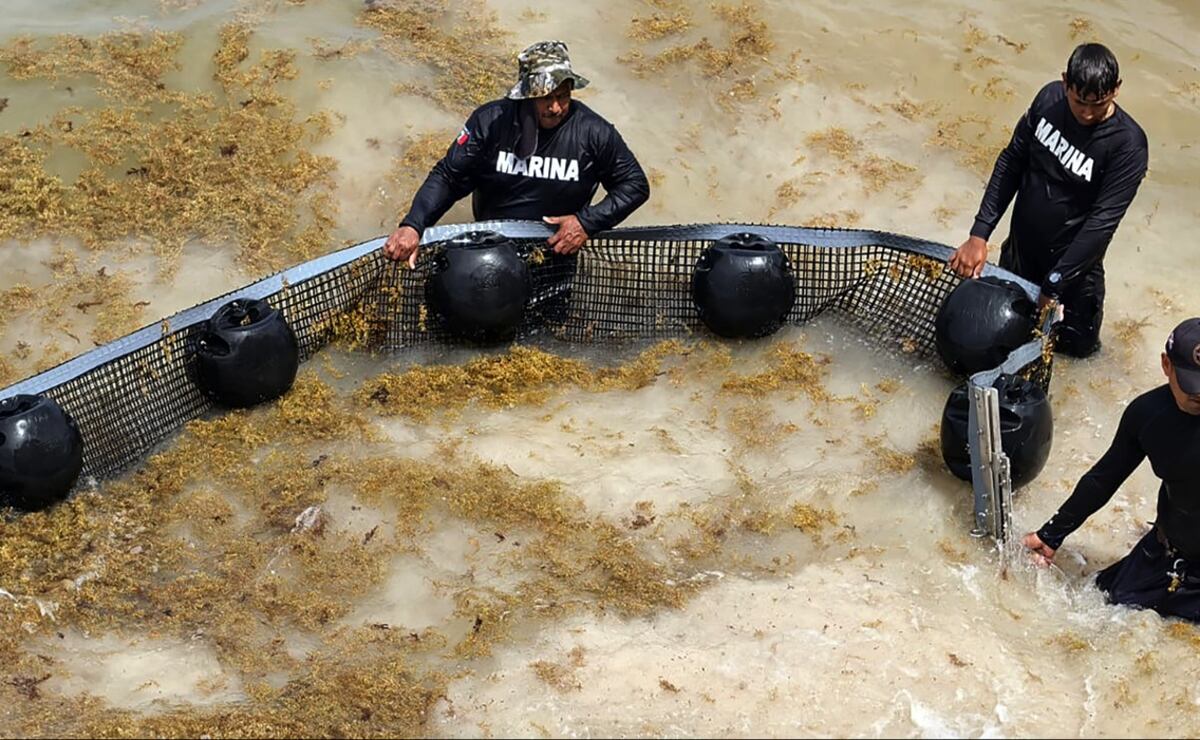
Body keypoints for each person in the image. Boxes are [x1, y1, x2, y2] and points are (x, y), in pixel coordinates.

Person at [948, 43, 1149, 358]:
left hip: (1073, 278)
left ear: (1117, 90)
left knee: (1075, 360)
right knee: (1002, 345)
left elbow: (1102, 223)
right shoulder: (1049, 101)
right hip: (1019, 255)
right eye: (1079, 100)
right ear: (1064, 82)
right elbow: (1011, 161)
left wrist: (1055, 283)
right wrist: (980, 233)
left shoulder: (1128, 145)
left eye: (1099, 104)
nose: (1086, 112)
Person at [382, 40, 650, 268]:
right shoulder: (491, 122)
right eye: (545, 97)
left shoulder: (594, 132)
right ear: (526, 94)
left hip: (557, 252)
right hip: (489, 248)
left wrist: (586, 223)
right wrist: (414, 224)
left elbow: (635, 185)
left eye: (563, 95)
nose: (555, 107)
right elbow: (449, 177)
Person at [1023, 318, 1200, 620]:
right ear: (1166, 365)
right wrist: (1051, 534)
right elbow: (1103, 479)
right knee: (1097, 605)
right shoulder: (1148, 415)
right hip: (1168, 552)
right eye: (1193, 386)